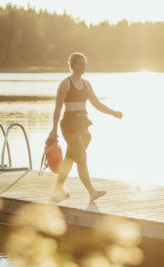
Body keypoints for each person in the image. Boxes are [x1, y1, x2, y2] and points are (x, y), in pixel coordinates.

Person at [49, 52, 123, 202]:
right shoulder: (65, 84)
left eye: (85, 63)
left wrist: (113, 113)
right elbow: (57, 109)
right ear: (73, 65)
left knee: (71, 158)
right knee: (82, 157)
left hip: (82, 126)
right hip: (69, 126)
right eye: (80, 64)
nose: (84, 66)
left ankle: (57, 189)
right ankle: (91, 192)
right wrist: (54, 130)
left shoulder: (87, 84)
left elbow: (97, 104)